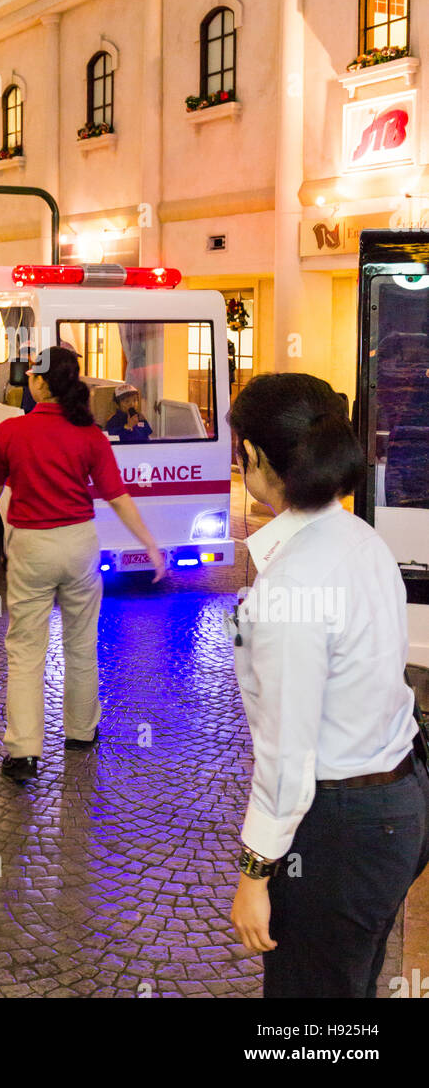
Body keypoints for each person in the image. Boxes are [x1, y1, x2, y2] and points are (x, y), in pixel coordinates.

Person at [227, 372, 429, 998]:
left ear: (257, 459)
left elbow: (288, 750)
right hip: (397, 799)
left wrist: (255, 872)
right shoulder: (360, 538)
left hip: (340, 826)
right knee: (348, 983)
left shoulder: (293, 585)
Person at [0, 346, 165, 782]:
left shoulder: (11, 430)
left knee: (25, 650)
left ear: (40, 384)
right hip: (79, 543)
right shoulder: (91, 434)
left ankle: (23, 751)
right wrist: (150, 544)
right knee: (81, 642)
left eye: (30, 376)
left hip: (30, 546)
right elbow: (117, 497)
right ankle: (80, 731)